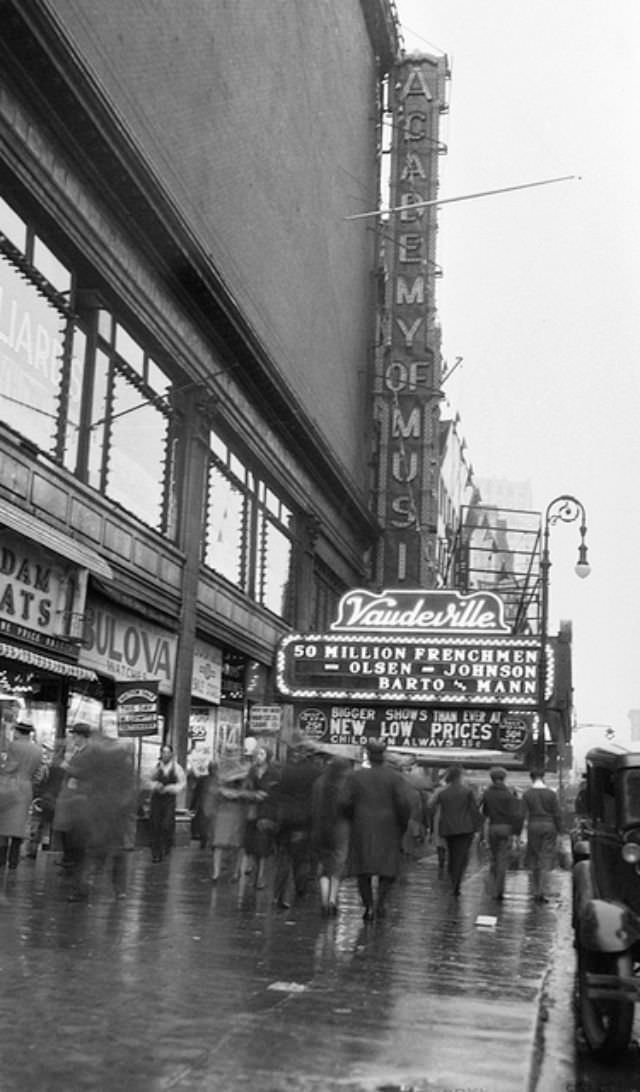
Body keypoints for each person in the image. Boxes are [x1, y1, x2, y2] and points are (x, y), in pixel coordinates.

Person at [341, 738, 411, 921]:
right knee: (387, 869)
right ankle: (381, 902)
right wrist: (401, 825)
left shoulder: (355, 777)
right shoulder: (395, 778)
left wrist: (352, 817)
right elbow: (404, 804)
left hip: (362, 826)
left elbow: (343, 802)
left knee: (362, 869)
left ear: (368, 756)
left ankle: (368, 906)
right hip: (389, 826)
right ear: (384, 756)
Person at [272, 738, 323, 909]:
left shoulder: (286, 770)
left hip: (285, 818)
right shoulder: (317, 772)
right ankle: (300, 889)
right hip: (305, 820)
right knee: (301, 858)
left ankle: (278, 893)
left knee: (283, 856)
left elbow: (278, 792)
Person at [205, 742, 262, 883]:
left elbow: (252, 792)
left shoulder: (246, 771)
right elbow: (213, 789)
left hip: (238, 810)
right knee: (219, 843)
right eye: (228, 752)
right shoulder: (219, 769)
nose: (231, 755)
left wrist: (239, 794)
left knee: (238, 843)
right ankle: (216, 872)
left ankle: (236, 872)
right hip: (223, 810)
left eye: (233, 752)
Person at [0, 720, 43, 875]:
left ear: (18, 732)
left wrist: (2, 770)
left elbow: (12, 766)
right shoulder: (38, 749)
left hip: (11, 785)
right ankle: (13, 861)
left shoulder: (14, 746)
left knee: (4, 825)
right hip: (26, 788)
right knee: (18, 826)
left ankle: (2, 860)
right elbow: (38, 773)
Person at [310, 755, 351, 917]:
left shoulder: (319, 783)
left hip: (320, 827)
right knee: (337, 865)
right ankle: (333, 898)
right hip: (340, 827)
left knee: (323, 864)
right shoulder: (346, 784)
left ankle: (324, 900)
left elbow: (312, 806)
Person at [435, 764, 481, 896]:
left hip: (448, 828)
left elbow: (433, 806)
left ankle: (453, 879)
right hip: (465, 828)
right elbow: (473, 809)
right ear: (459, 777)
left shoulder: (443, 793)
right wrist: (477, 827)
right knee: (462, 856)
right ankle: (457, 882)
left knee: (452, 855)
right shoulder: (467, 792)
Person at [242, 744, 280, 889]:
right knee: (252, 846)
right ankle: (254, 873)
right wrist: (253, 795)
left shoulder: (274, 773)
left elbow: (277, 793)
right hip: (252, 812)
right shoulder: (251, 772)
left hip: (267, 812)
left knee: (263, 846)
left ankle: (261, 877)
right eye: (257, 754)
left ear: (267, 757)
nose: (258, 757)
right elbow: (243, 790)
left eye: (262, 754)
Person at [480, 766, 521, 901]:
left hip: (493, 827)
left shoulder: (487, 793)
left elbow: (484, 812)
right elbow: (516, 814)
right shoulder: (509, 794)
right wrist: (516, 835)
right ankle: (499, 890)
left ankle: (492, 887)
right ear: (503, 779)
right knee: (502, 859)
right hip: (506, 828)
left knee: (493, 857)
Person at [522, 768, 562, 903]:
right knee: (546, 857)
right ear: (543, 777)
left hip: (533, 825)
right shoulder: (551, 794)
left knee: (534, 856)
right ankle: (542, 891)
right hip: (549, 825)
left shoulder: (527, 794)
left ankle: (535, 890)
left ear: (531, 778)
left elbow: (523, 813)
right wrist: (560, 830)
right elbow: (557, 813)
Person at [149, 743, 186, 863]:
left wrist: (171, 788)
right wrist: (155, 785)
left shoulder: (177, 768)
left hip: (169, 799)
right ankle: (156, 853)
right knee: (155, 825)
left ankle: (167, 845)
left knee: (166, 824)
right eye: (163, 752)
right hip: (156, 799)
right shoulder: (156, 767)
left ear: (171, 754)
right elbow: (147, 780)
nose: (165, 755)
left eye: (167, 752)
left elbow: (182, 784)